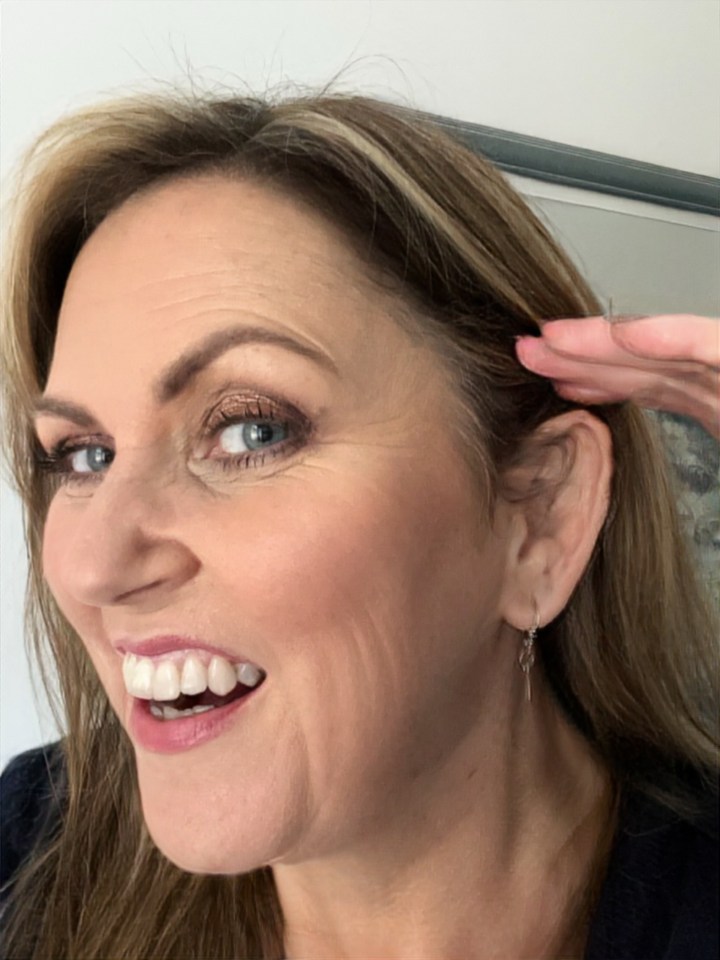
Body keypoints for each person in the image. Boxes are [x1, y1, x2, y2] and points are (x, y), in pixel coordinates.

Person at [0, 89, 717, 960]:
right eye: (82, 455)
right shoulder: (28, 851)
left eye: (250, 430)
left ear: (540, 514)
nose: (91, 567)